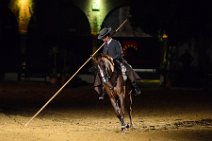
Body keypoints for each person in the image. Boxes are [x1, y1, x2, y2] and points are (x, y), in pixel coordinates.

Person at [93, 27, 141, 100]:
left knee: (128, 68)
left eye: (103, 38)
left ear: (107, 36)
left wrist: (112, 58)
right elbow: (104, 55)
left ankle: (135, 86)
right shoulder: (105, 45)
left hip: (117, 60)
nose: (103, 40)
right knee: (101, 71)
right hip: (107, 63)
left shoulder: (116, 43)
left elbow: (119, 54)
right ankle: (103, 90)